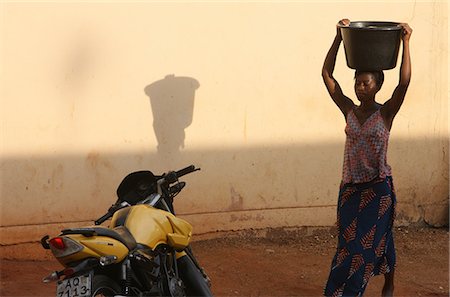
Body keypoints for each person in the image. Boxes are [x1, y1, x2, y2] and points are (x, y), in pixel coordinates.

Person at [321, 19, 412, 296]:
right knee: (348, 246)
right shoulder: (348, 109)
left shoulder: (386, 113)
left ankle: (366, 289)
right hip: (350, 190)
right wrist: (338, 38)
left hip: (377, 188)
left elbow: (404, 83)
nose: (360, 87)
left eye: (365, 83)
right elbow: (327, 75)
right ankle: (336, 291)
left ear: (377, 86)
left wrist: (406, 43)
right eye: (357, 82)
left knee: (364, 247)